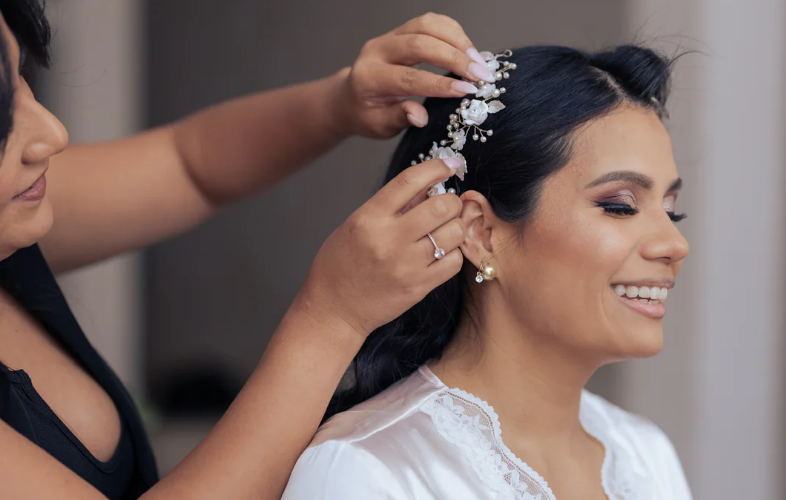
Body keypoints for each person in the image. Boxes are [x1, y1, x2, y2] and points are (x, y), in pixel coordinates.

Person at [0, 1, 493, 499]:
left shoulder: (12, 209)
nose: (52, 134)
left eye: (20, 77)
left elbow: (189, 165)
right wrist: (330, 319)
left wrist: (339, 102)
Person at [281, 45, 693, 499]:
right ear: (479, 233)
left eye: (671, 212)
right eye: (620, 206)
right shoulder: (364, 470)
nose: (674, 245)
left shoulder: (645, 456)